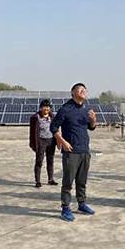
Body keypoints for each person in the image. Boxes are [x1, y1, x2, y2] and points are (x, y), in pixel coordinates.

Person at [50, 83, 96, 222]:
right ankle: (65, 208)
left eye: (84, 90)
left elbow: (91, 127)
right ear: (72, 93)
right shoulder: (66, 109)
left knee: (82, 181)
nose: (83, 91)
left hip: (85, 150)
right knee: (68, 182)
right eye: (80, 89)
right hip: (71, 151)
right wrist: (62, 141)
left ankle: (81, 204)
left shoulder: (86, 108)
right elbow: (53, 126)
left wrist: (93, 120)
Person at [30, 99, 58, 188]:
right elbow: (32, 132)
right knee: (39, 161)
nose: (46, 108)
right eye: (44, 107)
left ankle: (50, 179)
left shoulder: (52, 117)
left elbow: (56, 129)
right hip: (41, 141)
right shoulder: (35, 118)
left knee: (50, 161)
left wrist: (58, 141)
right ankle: (37, 181)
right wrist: (32, 143)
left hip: (51, 141)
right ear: (41, 108)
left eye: (48, 107)